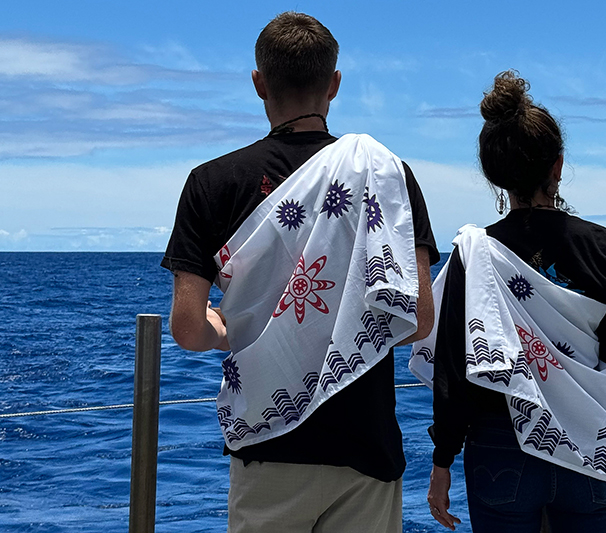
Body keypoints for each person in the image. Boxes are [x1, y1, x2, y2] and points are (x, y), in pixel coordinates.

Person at [161, 12, 439, 533]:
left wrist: (239, 327)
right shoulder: (386, 176)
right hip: (367, 448)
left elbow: (187, 327)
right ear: (334, 84)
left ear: (258, 83)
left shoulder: (211, 182)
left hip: (267, 444)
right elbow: (419, 319)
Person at [412, 71, 606, 533]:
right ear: (557, 166)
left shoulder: (473, 254)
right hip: (588, 444)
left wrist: (442, 464)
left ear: (494, 174)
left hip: (501, 449)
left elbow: (454, 373)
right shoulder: (600, 245)